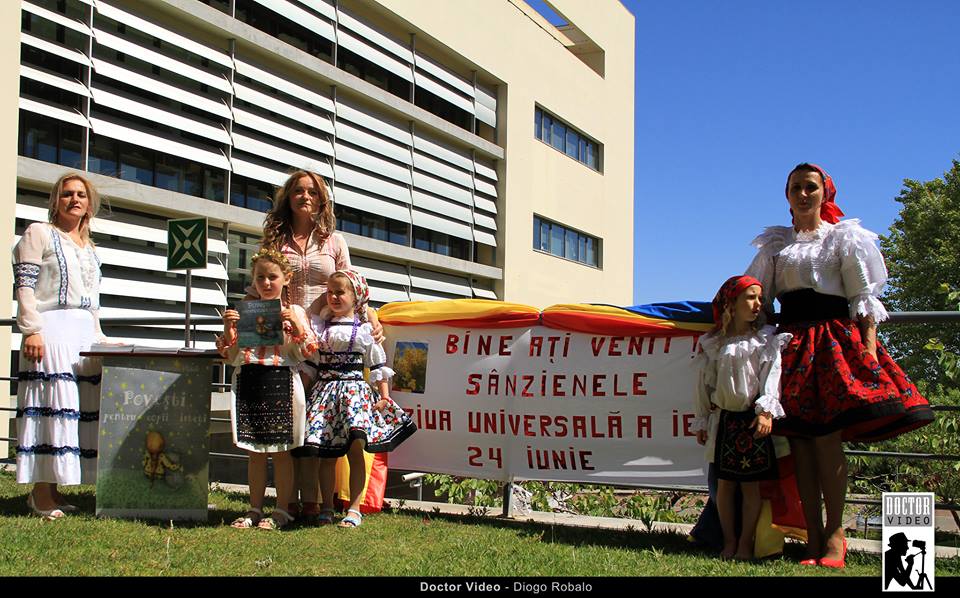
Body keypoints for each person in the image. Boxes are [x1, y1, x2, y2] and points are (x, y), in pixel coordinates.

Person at [746, 163, 934, 567]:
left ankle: (835, 536)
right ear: (787, 194)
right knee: (800, 443)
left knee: (828, 441)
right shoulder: (776, 246)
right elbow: (757, 297)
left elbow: (862, 298)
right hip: (793, 346)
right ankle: (812, 538)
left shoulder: (844, 239)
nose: (802, 194)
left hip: (833, 344)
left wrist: (868, 348)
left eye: (810, 187)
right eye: (795, 187)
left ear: (824, 193)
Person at [249, 169, 383, 523]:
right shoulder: (274, 239)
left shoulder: (335, 242)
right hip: (287, 338)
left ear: (321, 199)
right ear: (288, 197)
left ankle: (315, 502)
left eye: (311, 191)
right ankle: (288, 502)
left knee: (315, 424)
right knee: (290, 418)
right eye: (298, 191)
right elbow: (261, 281)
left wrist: (371, 317)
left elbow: (352, 286)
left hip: (327, 337)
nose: (304, 196)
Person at [13, 172, 106, 519]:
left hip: (82, 333)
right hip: (51, 329)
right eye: (67, 194)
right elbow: (25, 287)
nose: (74, 200)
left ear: (89, 203)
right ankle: (40, 494)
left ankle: (54, 490)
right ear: (56, 200)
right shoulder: (38, 233)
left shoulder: (90, 248)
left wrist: (101, 338)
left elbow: (93, 301)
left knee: (74, 409)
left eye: (81, 194)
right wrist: (31, 330)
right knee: (52, 404)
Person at [303, 269, 416, 527]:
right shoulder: (320, 328)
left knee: (355, 451)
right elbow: (311, 365)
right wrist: (303, 391)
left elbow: (377, 366)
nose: (332, 297)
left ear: (356, 297)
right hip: (325, 394)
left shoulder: (366, 331)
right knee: (326, 454)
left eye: (340, 292)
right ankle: (327, 506)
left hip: (354, 394)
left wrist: (385, 396)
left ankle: (354, 507)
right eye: (329, 292)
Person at [692, 275, 792, 560]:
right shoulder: (714, 343)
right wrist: (701, 419)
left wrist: (766, 411)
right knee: (724, 485)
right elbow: (704, 384)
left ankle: (747, 543)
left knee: (750, 487)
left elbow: (771, 378)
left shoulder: (765, 340)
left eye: (760, 298)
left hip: (752, 420)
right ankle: (729, 541)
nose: (757, 304)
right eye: (750, 297)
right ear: (731, 304)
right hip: (724, 421)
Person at [218, 248, 317, 530]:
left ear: (286, 278)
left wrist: (295, 324)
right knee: (255, 451)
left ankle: (283, 509)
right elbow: (232, 356)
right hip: (250, 380)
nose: (266, 282)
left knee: (282, 450)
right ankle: (255, 508)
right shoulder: (244, 310)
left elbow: (307, 351)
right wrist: (229, 329)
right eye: (260, 277)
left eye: (272, 277)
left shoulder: (295, 311)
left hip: (281, 381)